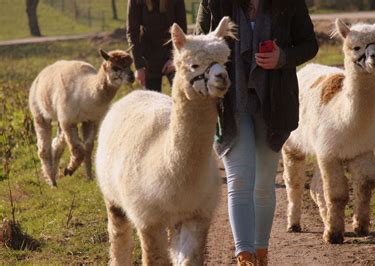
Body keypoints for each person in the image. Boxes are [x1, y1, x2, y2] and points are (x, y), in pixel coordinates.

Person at [195, 0, 318, 265]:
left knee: (263, 184)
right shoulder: (214, 2)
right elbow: (199, 46)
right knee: (239, 181)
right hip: (230, 103)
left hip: (274, 103)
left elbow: (309, 44)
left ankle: (261, 253)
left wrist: (282, 57)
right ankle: (245, 256)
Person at [127, 0, 187, 91]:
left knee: (180, 94)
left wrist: (173, 57)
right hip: (148, 56)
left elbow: (181, 29)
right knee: (153, 99)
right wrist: (139, 66)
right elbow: (133, 32)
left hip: (171, 51)